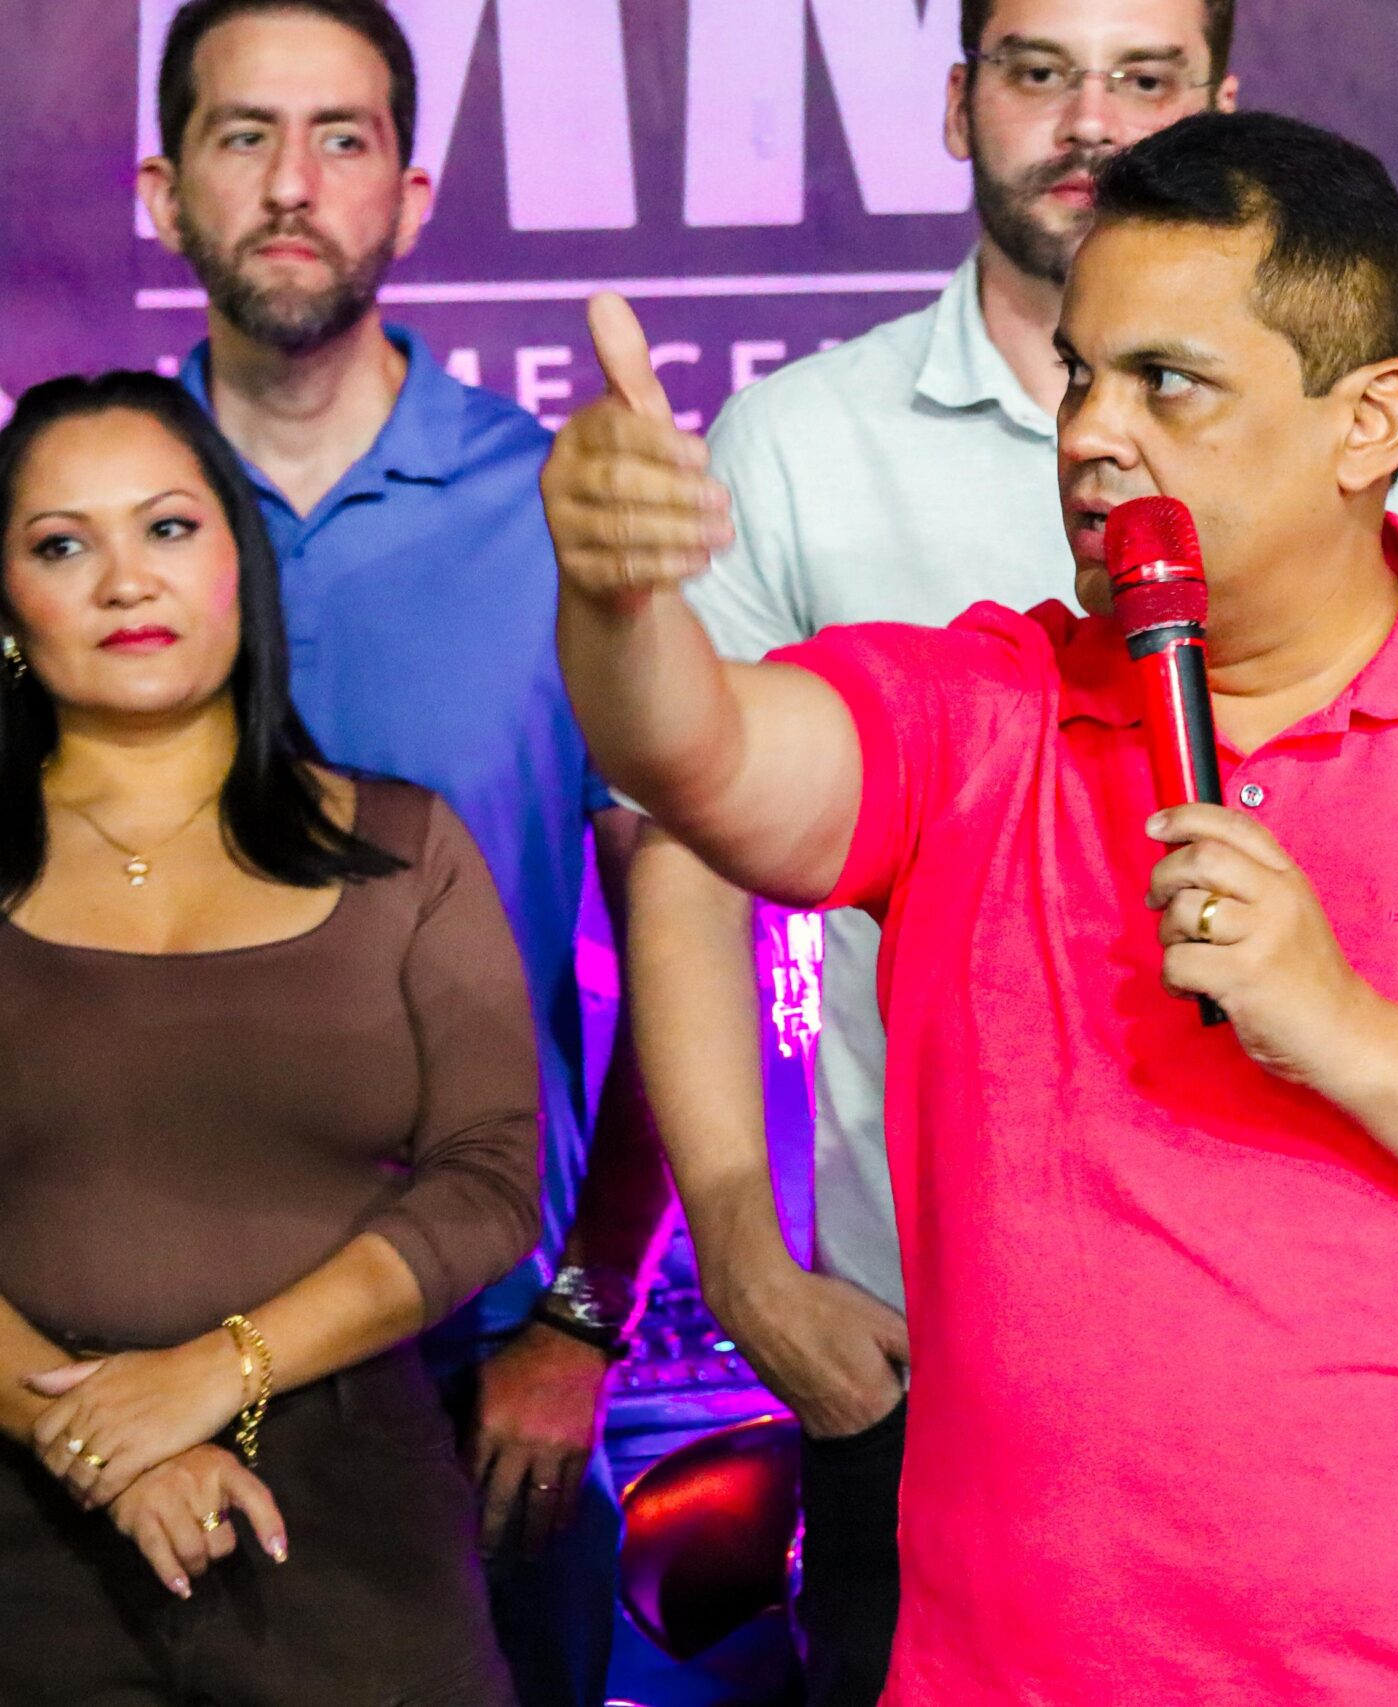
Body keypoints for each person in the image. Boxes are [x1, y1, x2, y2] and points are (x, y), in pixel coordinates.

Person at [546, 110, 1398, 1703]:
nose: (1089, 434)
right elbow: (701, 755)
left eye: (1167, 383)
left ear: (1371, 423)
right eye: (1080, 375)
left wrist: (1339, 1026)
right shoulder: (983, 707)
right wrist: (617, 596)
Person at [138, 6, 672, 1700]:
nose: (293, 184)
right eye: (243, 135)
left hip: (477, 1366)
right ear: (162, 190)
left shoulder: (556, 516)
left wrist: (581, 1315)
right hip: (123, 1366)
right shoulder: (80, 532)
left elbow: (686, 943)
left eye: (343, 138)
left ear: (412, 194)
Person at [0, 371, 537, 1706]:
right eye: (62, 545)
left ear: (240, 563)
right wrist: (103, 1442)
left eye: (168, 527)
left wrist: (209, 1378)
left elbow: (491, 1182)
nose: (127, 581)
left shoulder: (403, 850)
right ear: (6, 606)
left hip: (353, 1538)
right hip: (26, 1535)